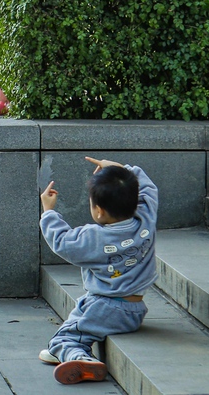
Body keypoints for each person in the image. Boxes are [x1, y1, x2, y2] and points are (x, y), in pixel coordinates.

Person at [37, 156, 159, 385]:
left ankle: (79, 357)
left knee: (64, 339)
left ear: (99, 211)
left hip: (107, 307)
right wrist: (119, 169)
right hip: (135, 309)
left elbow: (62, 242)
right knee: (78, 318)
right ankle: (72, 354)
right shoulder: (146, 217)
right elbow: (148, 187)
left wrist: (49, 211)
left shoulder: (94, 237)